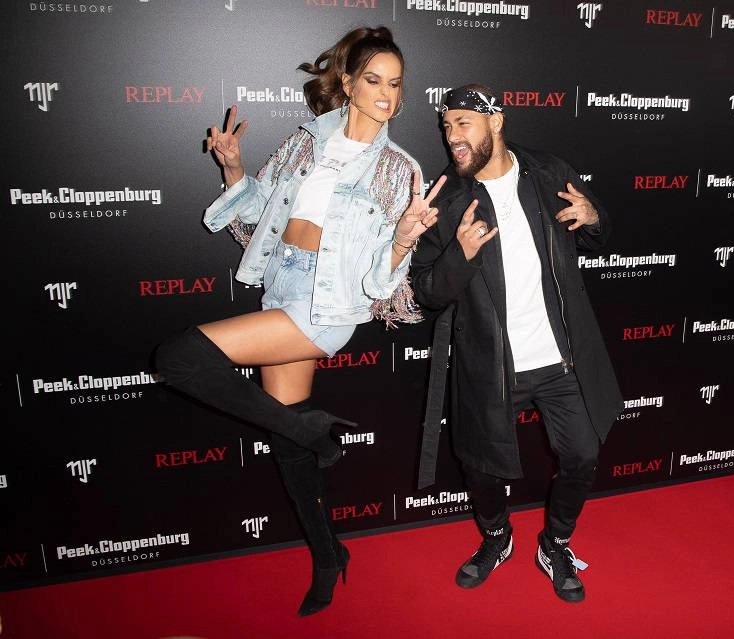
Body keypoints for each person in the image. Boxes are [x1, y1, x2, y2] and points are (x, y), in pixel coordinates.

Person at [155, 26, 442, 616]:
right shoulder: (306, 141)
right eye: (374, 80)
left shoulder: (399, 170)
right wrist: (233, 168)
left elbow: (379, 284)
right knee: (290, 442)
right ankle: (328, 553)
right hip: (281, 283)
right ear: (349, 84)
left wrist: (402, 241)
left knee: (178, 358)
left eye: (395, 84)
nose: (386, 94)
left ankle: (312, 430)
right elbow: (258, 215)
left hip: (325, 305)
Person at [410, 84, 623, 603]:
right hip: (491, 364)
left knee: (583, 454)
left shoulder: (548, 172)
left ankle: (556, 543)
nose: (452, 136)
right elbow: (427, 292)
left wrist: (595, 217)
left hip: (560, 358)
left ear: (496, 122)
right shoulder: (447, 197)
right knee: (481, 467)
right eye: (446, 126)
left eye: (463, 123)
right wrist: (459, 255)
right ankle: (496, 536)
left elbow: (597, 232)